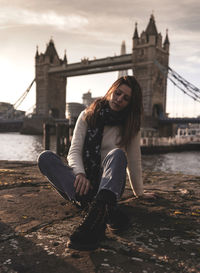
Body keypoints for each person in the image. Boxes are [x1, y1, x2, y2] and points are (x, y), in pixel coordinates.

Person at [38, 76, 146, 251]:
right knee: (45, 158)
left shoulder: (131, 124)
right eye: (118, 93)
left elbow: (134, 161)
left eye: (126, 98)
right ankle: (102, 209)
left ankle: (94, 218)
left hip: (108, 184)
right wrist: (80, 174)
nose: (119, 99)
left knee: (117, 154)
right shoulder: (87, 114)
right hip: (82, 182)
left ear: (130, 103)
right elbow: (74, 151)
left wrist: (139, 193)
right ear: (111, 90)